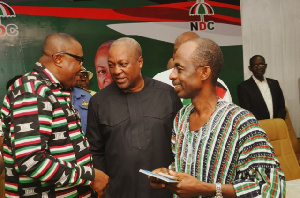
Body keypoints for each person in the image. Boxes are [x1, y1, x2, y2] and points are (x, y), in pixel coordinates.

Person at [147, 38, 285, 197]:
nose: (172, 75)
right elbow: (188, 167)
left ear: (204, 72)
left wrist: (206, 188)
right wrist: (169, 174)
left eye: (179, 69)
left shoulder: (241, 122)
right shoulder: (181, 118)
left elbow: (271, 189)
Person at [0, 33, 109, 197]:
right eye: (79, 60)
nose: (81, 67)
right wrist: (90, 177)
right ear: (58, 59)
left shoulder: (55, 90)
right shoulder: (32, 91)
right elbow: (31, 161)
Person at [86, 37, 183, 198]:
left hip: (164, 192)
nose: (116, 71)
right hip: (118, 193)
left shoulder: (167, 95)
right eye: (111, 65)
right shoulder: (98, 102)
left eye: (123, 64)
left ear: (140, 62)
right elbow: (95, 151)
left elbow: (182, 144)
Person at [153, 31, 232, 104]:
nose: (172, 76)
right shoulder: (159, 80)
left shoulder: (218, 87)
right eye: (176, 50)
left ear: (205, 72)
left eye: (187, 50)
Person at [237, 55, 286, 120]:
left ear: (265, 66)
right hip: (258, 126)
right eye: (255, 65)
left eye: (261, 64)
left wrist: (278, 121)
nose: (259, 68)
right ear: (250, 68)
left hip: (277, 125)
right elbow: (247, 111)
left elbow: (281, 106)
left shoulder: (274, 83)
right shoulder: (243, 87)